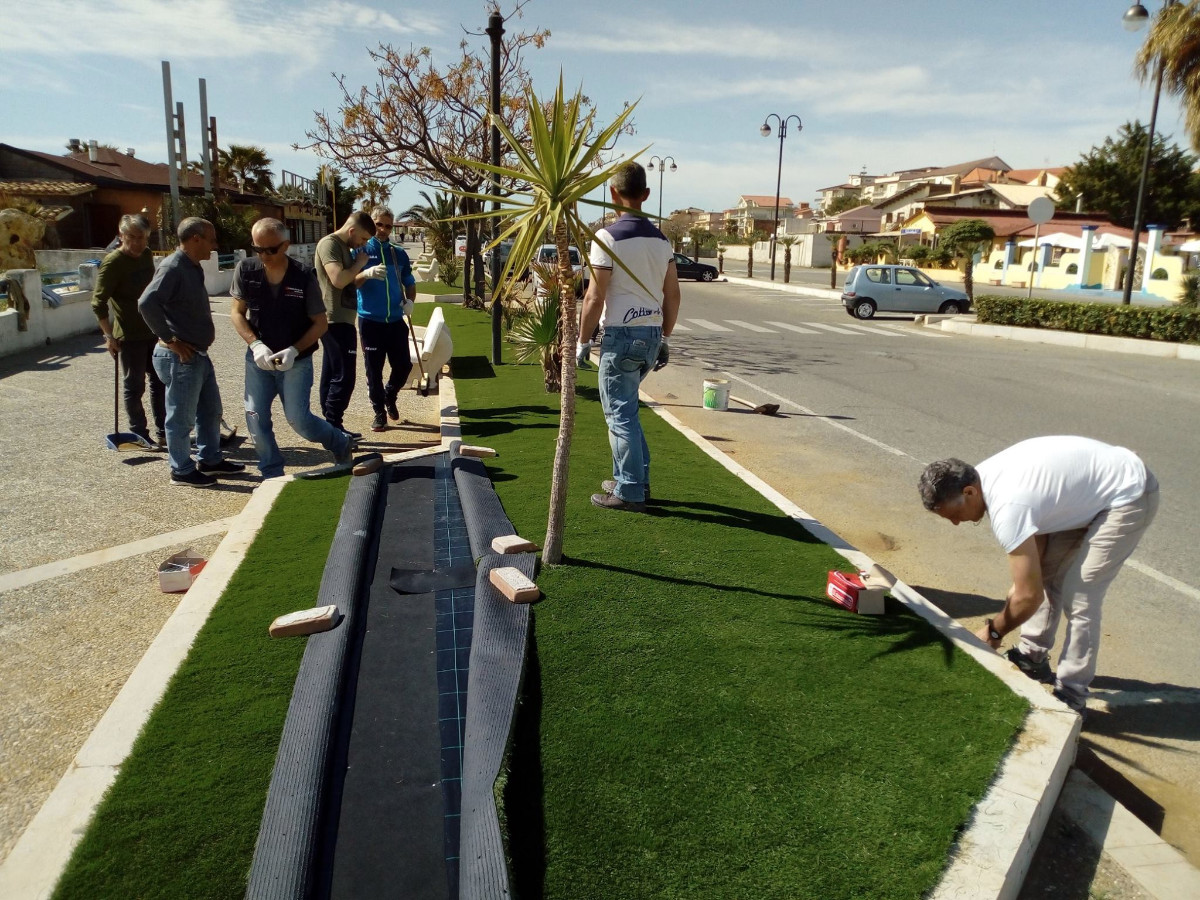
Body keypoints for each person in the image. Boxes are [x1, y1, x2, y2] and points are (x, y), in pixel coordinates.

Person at [919, 436, 1160, 716]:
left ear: (970, 492)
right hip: (1090, 493)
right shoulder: (982, 479)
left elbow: (1028, 597)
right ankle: (1032, 657)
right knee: (1048, 575)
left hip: (1129, 494)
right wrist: (1020, 594)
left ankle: (1071, 693)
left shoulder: (1008, 506)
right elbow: (1035, 568)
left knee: (1080, 596)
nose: (955, 522)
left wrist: (994, 631)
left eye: (955, 514)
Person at [578, 161, 681, 512]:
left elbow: (594, 297)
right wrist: (664, 337)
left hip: (621, 336)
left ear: (612, 194)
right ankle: (634, 477)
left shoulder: (607, 239)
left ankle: (630, 490)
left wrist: (582, 341)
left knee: (619, 414)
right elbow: (673, 294)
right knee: (628, 410)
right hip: (651, 335)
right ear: (646, 194)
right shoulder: (662, 241)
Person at [230, 218, 354, 478]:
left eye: (270, 250)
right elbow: (237, 313)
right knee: (255, 416)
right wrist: (255, 344)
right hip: (259, 360)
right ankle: (271, 472)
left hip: (296, 361)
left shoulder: (303, 276)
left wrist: (294, 350)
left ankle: (340, 442)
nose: (264, 255)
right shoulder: (246, 270)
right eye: (257, 249)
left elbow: (320, 323)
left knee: (299, 420)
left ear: (285, 245)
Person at [138, 217, 244, 487]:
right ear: (196, 238)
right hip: (180, 357)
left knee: (210, 411)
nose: (214, 245)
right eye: (211, 239)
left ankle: (209, 460)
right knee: (181, 418)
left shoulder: (192, 266)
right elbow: (146, 303)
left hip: (197, 355)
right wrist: (170, 339)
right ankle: (181, 470)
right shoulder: (173, 267)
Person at [92, 213, 165, 448]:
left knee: (160, 381)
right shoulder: (113, 262)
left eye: (142, 238)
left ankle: (164, 431)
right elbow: (98, 302)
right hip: (129, 335)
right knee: (134, 386)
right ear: (121, 235)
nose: (137, 243)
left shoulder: (146, 255)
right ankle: (138, 433)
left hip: (153, 330)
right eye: (132, 237)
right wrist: (108, 335)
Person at [354, 205, 417, 432]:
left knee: (404, 365)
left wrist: (410, 302)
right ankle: (379, 412)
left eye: (388, 226)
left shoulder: (398, 253)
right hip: (370, 321)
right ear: (371, 224)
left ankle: (390, 394)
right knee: (374, 370)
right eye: (378, 224)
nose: (383, 229)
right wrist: (366, 273)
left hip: (395, 321)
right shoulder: (360, 251)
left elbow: (409, 282)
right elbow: (351, 283)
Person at [314, 210, 374, 437]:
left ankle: (331, 427)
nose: (363, 244)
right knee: (344, 376)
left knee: (332, 373)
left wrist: (364, 273)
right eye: (363, 238)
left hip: (343, 319)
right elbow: (338, 279)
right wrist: (359, 264)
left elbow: (347, 283)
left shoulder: (344, 249)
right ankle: (334, 427)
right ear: (352, 231)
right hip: (334, 320)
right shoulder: (329, 244)